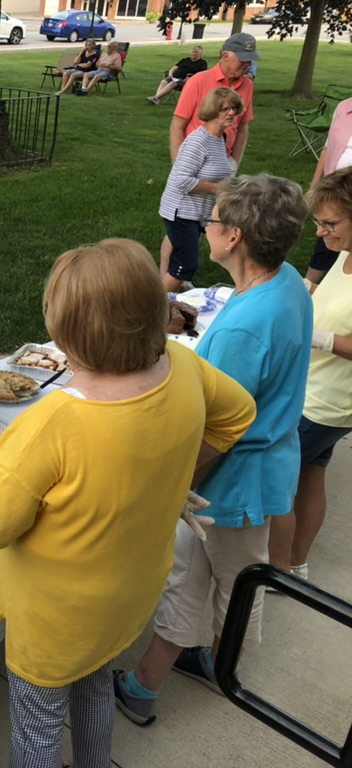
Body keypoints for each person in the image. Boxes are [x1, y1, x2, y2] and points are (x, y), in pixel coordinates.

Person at [0, 239, 255, 768]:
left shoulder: (53, 423)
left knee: (38, 730)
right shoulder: (183, 364)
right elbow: (238, 415)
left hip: (56, 620)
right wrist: (171, 476)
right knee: (94, 686)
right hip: (126, 596)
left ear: (65, 331)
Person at [116, 174, 313, 727]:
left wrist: (175, 484)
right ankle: (152, 681)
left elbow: (218, 428)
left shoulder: (246, 327)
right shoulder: (286, 280)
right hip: (248, 470)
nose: (205, 226)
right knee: (193, 575)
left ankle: (217, 670)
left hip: (230, 480)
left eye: (214, 219)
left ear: (236, 237)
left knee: (235, 584)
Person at [268, 167, 352, 580]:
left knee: (275, 482)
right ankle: (296, 565)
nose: (320, 232)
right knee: (310, 475)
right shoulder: (345, 254)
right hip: (313, 389)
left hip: (325, 402)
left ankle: (276, 570)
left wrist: (319, 338)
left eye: (329, 223)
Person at [159, 88, 242, 292]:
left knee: (186, 258)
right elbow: (181, 180)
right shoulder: (198, 141)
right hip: (181, 211)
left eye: (233, 108)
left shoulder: (219, 138)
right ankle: (156, 304)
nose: (231, 113)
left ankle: (167, 296)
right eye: (224, 109)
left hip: (199, 213)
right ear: (212, 111)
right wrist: (219, 189)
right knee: (185, 264)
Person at [171, 33, 258, 168]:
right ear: (225, 56)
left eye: (250, 60)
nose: (248, 64)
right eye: (243, 59)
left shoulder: (247, 85)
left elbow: (242, 128)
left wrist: (234, 163)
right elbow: (177, 125)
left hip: (225, 162)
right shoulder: (198, 81)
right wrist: (179, 166)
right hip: (194, 160)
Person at [305, 95, 352, 287]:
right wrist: (315, 187)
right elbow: (327, 149)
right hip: (335, 189)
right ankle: (310, 284)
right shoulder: (344, 108)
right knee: (329, 234)